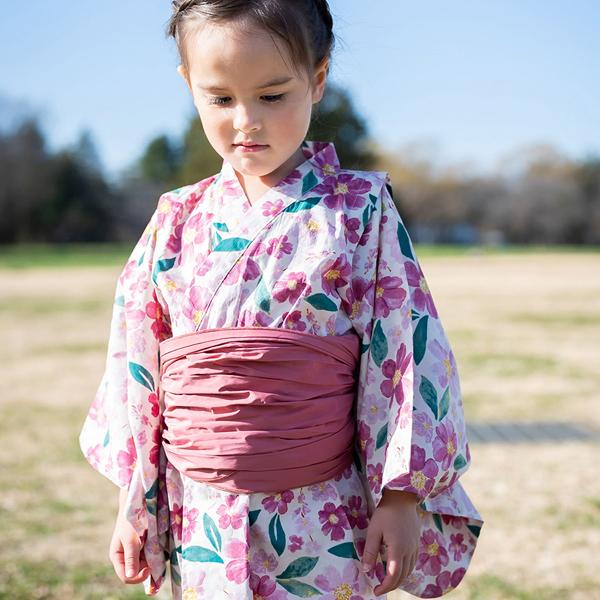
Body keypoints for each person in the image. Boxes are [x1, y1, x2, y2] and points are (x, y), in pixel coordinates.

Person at [78, 1, 484, 598]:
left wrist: (400, 496)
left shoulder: (359, 208)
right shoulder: (176, 219)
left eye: (273, 96)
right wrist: (132, 500)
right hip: (202, 509)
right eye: (220, 99)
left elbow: (405, 353)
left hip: (320, 508)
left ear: (317, 79)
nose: (247, 121)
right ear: (189, 85)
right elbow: (136, 364)